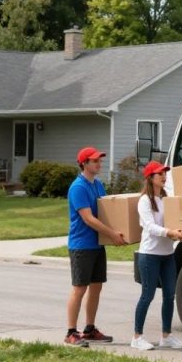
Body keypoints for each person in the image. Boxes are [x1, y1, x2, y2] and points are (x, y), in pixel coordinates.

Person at [65, 146, 127, 347]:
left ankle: (89, 329)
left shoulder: (98, 185)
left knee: (96, 288)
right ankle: (71, 332)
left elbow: (106, 212)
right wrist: (112, 234)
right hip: (81, 245)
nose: (99, 164)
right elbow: (88, 218)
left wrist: (117, 234)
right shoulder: (78, 187)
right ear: (84, 163)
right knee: (79, 288)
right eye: (95, 161)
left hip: (97, 245)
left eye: (99, 160)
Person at [131, 161, 182, 351]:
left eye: (165, 173)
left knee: (169, 295)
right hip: (149, 255)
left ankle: (166, 336)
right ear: (150, 178)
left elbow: (174, 220)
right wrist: (170, 233)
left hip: (167, 254)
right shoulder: (144, 201)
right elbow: (149, 226)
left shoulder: (166, 199)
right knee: (147, 295)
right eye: (160, 174)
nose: (164, 176)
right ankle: (137, 336)